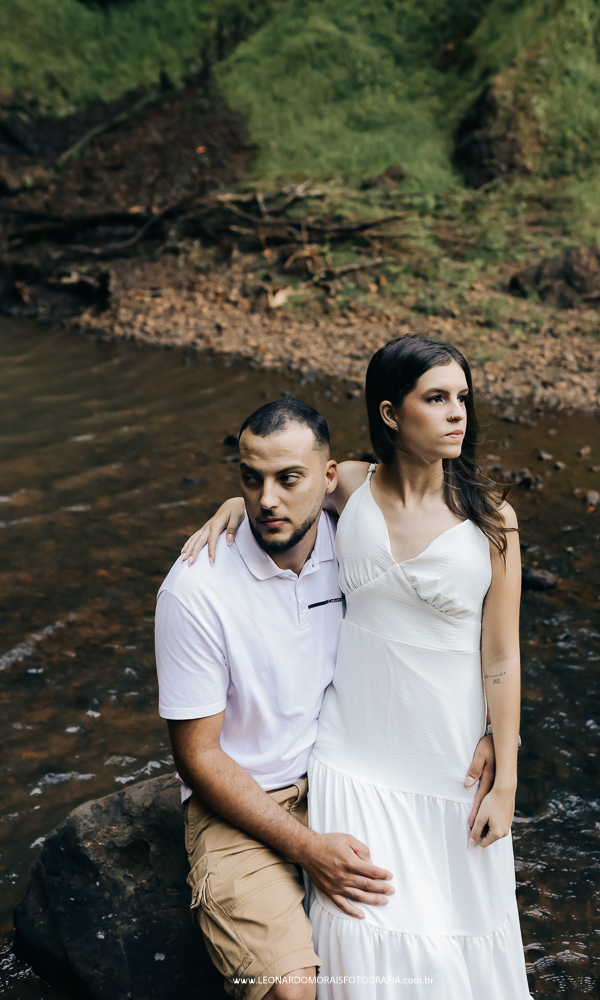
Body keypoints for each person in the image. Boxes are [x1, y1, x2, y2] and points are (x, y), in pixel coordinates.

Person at [185, 336, 531, 998]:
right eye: (435, 399)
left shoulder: (493, 522)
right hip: (351, 752)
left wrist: (505, 775)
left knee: (455, 934)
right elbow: (285, 485)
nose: (456, 413)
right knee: (362, 929)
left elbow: (501, 654)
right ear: (391, 414)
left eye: (461, 398)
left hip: (447, 757)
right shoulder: (350, 485)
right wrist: (236, 506)